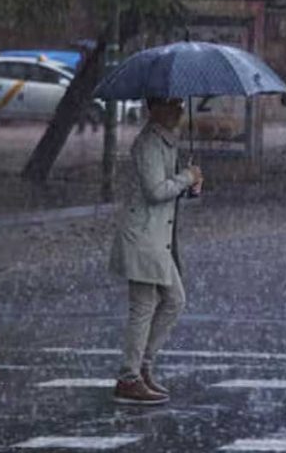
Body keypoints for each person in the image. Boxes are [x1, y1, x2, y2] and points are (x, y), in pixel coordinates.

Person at [110, 97, 203, 405]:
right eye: (173, 104)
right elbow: (155, 191)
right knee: (144, 306)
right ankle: (129, 377)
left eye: (180, 103)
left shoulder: (167, 143)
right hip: (143, 236)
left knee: (175, 300)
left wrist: (191, 185)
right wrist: (184, 178)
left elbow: (169, 191)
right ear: (157, 109)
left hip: (157, 238)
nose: (179, 109)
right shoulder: (149, 144)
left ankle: (143, 365)